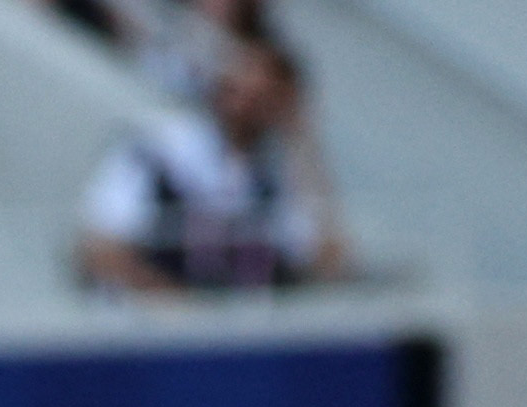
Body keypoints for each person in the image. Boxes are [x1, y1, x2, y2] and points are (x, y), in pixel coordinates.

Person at [77, 37, 343, 293]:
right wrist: (184, 311)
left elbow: (327, 265)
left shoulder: (276, 172)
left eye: (264, 96)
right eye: (239, 87)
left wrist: (300, 143)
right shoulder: (160, 148)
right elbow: (101, 250)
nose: (246, 103)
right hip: (155, 328)